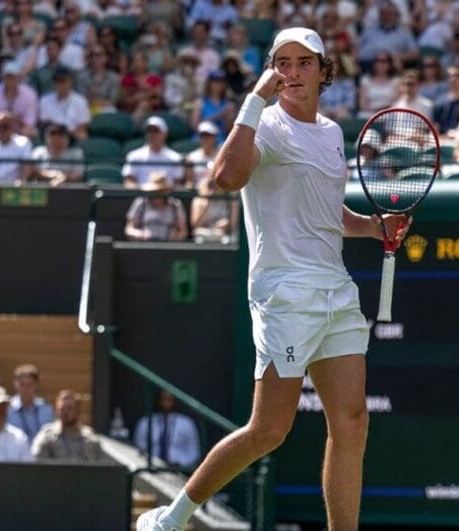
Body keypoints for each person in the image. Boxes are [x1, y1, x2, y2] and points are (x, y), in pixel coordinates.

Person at [136, 27, 409, 531]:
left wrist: (374, 228)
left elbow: (328, 214)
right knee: (269, 430)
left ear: (324, 72)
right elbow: (225, 178)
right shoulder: (265, 126)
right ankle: (172, 519)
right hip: (284, 293)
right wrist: (252, 103)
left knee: (351, 423)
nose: (292, 72)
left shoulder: (330, 134)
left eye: (304, 62)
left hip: (335, 290)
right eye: (282, 62)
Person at [134, 389, 201, 469]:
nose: (166, 403)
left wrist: (180, 464)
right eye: (163, 399)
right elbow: (139, 448)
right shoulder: (145, 422)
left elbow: (194, 452)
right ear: (158, 401)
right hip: (151, 467)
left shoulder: (187, 423)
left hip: (179, 471)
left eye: (169, 399)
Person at [32, 389, 105, 462]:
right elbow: (38, 463)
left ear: (78, 411)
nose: (65, 412)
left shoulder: (90, 438)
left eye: (70, 409)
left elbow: (101, 465)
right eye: (62, 409)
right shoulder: (47, 437)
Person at [122, 116, 184, 188]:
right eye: (149, 131)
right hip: (142, 196)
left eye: (156, 131)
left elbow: (178, 184)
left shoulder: (175, 158)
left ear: (165, 134)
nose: (152, 134)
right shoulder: (134, 156)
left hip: (167, 196)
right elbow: (128, 182)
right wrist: (146, 188)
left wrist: (162, 189)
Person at [125, 173, 189, 241]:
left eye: (160, 191)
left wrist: (174, 238)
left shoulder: (175, 205)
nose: (157, 194)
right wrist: (141, 235)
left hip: (169, 245)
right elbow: (129, 230)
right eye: (154, 191)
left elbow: (183, 232)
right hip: (144, 245)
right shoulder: (141, 203)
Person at [37, 67, 90, 141]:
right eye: (57, 81)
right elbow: (44, 123)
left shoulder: (80, 101)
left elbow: (83, 125)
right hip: (52, 136)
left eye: (63, 81)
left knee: (82, 135)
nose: (59, 84)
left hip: (72, 137)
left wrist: (68, 133)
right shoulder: (45, 100)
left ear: (70, 82)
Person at [7, 364, 54, 442]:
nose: (26, 389)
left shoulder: (46, 409)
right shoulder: (7, 409)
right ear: (15, 385)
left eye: (30, 385)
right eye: (22, 385)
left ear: (36, 385)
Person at [190, 176, 239, 244]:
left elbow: (232, 225)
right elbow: (196, 225)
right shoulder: (198, 200)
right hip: (205, 235)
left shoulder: (231, 200)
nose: (215, 184)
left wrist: (226, 224)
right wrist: (208, 201)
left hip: (224, 235)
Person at [185, 121, 220, 187]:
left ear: (215, 137)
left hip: (218, 193)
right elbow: (189, 181)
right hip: (198, 193)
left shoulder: (222, 157)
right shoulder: (191, 157)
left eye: (209, 135)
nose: (205, 138)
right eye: (202, 135)